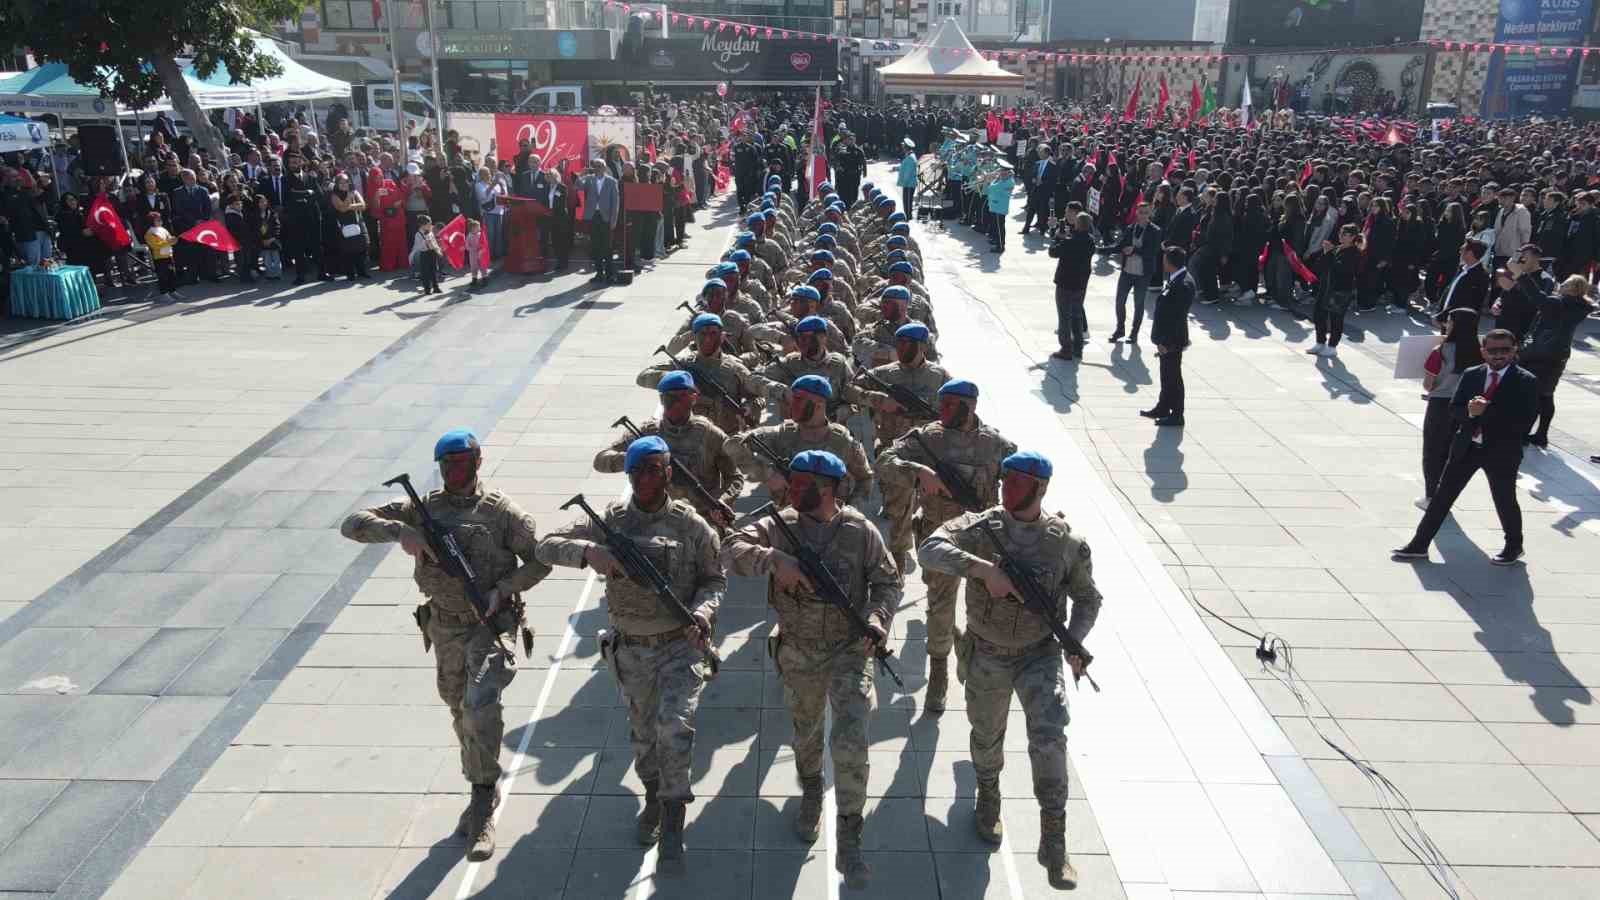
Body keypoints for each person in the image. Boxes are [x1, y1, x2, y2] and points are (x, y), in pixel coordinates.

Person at [339, 428, 548, 862]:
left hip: (490, 624)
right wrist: (400, 532)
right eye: (447, 464)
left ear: (478, 461)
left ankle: (482, 800)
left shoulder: (503, 513)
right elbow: (352, 524)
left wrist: (505, 588)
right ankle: (480, 782)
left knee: (479, 703)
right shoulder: (422, 509)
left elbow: (540, 557)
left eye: (463, 462)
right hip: (445, 626)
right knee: (458, 707)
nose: (455, 471)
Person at [917, 450, 1101, 890]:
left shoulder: (1065, 543)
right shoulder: (981, 527)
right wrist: (983, 570)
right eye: (1005, 478)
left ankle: (1053, 840)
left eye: (1017, 482)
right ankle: (988, 795)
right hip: (986, 651)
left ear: (1040, 489)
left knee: (1050, 737)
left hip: (1039, 654)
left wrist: (1074, 640)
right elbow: (929, 548)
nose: (1006, 487)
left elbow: (1088, 598)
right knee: (985, 734)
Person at [539, 435, 723, 868]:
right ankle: (653, 798)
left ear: (668, 473)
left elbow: (715, 580)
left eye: (654, 469)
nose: (645, 478)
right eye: (638, 470)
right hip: (632, 649)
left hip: (679, 646)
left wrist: (703, 614)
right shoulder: (611, 522)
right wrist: (589, 553)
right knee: (643, 736)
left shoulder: (691, 525)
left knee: (674, 730)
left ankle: (674, 815)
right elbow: (543, 544)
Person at [722, 449, 900, 889]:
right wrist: (774, 560)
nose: (795, 491)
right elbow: (731, 547)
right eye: (793, 482)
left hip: (849, 649)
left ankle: (850, 832)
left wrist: (877, 621)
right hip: (798, 650)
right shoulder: (778, 525)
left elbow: (888, 581)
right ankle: (811, 791)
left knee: (852, 740)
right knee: (804, 732)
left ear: (832, 488)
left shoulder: (860, 531)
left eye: (806, 485)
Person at [876, 379, 1016, 712]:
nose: (947, 411)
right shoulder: (928, 438)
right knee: (940, 601)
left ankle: (970, 652)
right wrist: (917, 470)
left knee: (985, 607)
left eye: (956, 404)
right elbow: (884, 460)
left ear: (973, 406)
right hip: (942, 538)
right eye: (944, 404)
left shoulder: (995, 444)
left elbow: (1024, 481)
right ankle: (939, 670)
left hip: (984, 539)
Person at [1393, 329, 1539, 566]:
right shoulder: (1472, 374)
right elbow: (1455, 408)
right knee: (1442, 496)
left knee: (1504, 499)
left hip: (1501, 451)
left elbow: (1524, 422)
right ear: (1483, 352)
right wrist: (1470, 413)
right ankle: (1419, 544)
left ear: (1514, 351)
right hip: (1467, 447)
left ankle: (1514, 546)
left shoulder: (1526, 380)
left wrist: (1486, 412)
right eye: (1493, 351)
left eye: (1505, 350)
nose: (1499, 355)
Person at [592, 371, 741, 529]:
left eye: (681, 397)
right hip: (655, 519)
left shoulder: (710, 434)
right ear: (662, 400)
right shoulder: (647, 433)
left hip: (702, 519)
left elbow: (734, 477)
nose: (675, 404)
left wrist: (721, 500)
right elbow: (600, 460)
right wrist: (637, 458)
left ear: (694, 398)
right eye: (669, 398)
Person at [1519, 274, 1595, 448]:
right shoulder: (1580, 307)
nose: (1562, 285)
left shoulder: (1558, 303)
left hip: (1542, 352)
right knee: (1546, 394)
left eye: (1566, 284)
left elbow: (1537, 297)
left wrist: (1522, 276)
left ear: (1573, 289)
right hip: (1559, 354)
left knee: (1534, 393)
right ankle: (1541, 435)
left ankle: (1524, 434)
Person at [1418, 307, 1482, 508]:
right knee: (1452, 452)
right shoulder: (1480, 352)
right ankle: (1446, 496)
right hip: (1466, 407)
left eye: (1450, 321)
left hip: (1440, 404)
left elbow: (1428, 385)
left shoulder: (1441, 351)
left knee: (1433, 450)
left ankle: (1431, 496)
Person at [1146, 246, 1193, 427]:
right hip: (1166, 339)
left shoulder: (1183, 284)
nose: (1162, 262)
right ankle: (1163, 407)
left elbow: (1176, 317)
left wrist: (1166, 342)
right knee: (1166, 375)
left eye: (1165, 259)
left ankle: (1177, 414)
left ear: (1170, 263)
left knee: (1173, 377)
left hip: (1172, 340)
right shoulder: (1176, 278)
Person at [1308, 224, 1362, 359]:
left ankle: (1332, 346)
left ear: (1353, 237)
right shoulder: (1336, 249)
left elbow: (1342, 269)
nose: (1341, 237)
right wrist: (1326, 253)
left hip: (1341, 290)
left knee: (1336, 318)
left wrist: (1329, 254)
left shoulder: (1354, 253)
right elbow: (1321, 265)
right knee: (1319, 315)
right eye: (1341, 233)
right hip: (1325, 287)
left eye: (1345, 234)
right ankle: (1320, 342)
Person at [1112, 202, 1162, 343]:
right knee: (1119, 301)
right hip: (1127, 271)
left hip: (1143, 273)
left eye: (1146, 213)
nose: (1143, 216)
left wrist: (1134, 250)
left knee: (1138, 304)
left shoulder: (1155, 230)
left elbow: (1152, 251)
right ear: (1136, 213)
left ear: (1150, 214)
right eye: (1140, 212)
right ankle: (1120, 329)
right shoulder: (1130, 228)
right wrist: (1102, 249)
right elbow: (1120, 245)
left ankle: (1134, 333)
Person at [1049, 211, 1095, 358]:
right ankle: (1078, 347)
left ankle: (1066, 349)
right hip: (1081, 284)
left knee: (1064, 317)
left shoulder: (1070, 242)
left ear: (1077, 224)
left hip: (1065, 283)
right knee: (1077, 316)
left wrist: (1057, 237)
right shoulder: (1090, 241)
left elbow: (1053, 252)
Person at [577, 157, 620, 283]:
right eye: (595, 166)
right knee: (595, 246)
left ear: (605, 167)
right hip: (592, 216)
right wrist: (582, 174)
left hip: (605, 217)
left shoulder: (611, 181)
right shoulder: (589, 179)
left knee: (607, 247)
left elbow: (615, 202)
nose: (597, 168)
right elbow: (578, 186)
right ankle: (599, 273)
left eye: (600, 166)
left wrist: (613, 220)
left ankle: (610, 274)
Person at [329, 172, 370, 281]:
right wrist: (348, 197)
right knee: (347, 250)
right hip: (343, 224)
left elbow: (363, 205)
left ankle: (362, 271)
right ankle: (350, 274)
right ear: (337, 184)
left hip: (357, 222)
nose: (344, 184)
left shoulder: (354, 191)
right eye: (341, 182)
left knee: (361, 247)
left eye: (346, 182)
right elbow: (341, 209)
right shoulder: (334, 195)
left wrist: (348, 206)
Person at [143, 211, 179, 298]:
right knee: (163, 276)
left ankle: (173, 291)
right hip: (159, 258)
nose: (160, 221)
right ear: (151, 221)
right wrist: (168, 242)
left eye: (160, 219)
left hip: (169, 255)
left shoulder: (164, 229)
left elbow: (169, 238)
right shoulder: (149, 233)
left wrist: (174, 240)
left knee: (172, 274)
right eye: (157, 220)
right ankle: (164, 293)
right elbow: (155, 246)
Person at [986, 160, 1015, 253]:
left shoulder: (1008, 182)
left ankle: (1000, 246)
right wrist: (996, 177)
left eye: (1003, 171)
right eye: (1001, 170)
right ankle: (995, 240)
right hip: (995, 206)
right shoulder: (1002, 179)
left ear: (1007, 172)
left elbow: (992, 187)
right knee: (995, 225)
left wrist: (992, 179)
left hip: (1000, 208)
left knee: (999, 228)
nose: (1000, 172)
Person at [411, 214, 442, 295]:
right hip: (424, 253)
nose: (430, 225)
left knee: (434, 270)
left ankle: (436, 287)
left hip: (432, 252)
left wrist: (438, 250)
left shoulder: (430, 232)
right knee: (425, 272)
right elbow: (418, 246)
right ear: (422, 225)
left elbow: (434, 242)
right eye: (428, 224)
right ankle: (427, 289)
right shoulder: (418, 234)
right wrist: (425, 242)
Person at [465, 218, 490, 289]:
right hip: (472, 254)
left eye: (479, 227)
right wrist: (470, 249)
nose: (479, 228)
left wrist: (482, 249)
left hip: (480, 253)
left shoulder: (481, 235)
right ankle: (474, 278)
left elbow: (484, 243)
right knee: (473, 267)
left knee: (483, 266)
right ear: (472, 229)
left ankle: (485, 278)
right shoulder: (469, 236)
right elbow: (467, 245)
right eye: (477, 227)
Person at [897, 138, 918, 217]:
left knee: (907, 202)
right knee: (906, 201)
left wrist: (904, 182)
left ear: (906, 147)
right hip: (908, 183)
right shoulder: (910, 155)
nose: (902, 148)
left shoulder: (910, 157)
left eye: (904, 146)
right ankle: (908, 215)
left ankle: (908, 216)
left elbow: (908, 172)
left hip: (909, 184)